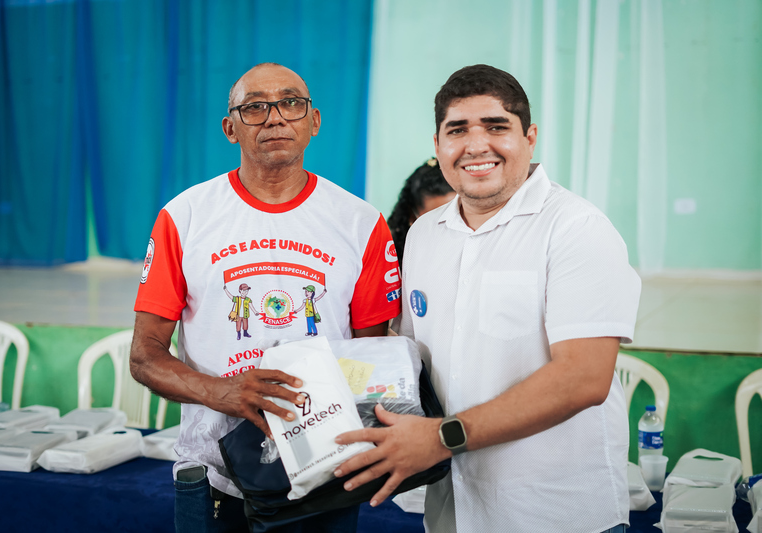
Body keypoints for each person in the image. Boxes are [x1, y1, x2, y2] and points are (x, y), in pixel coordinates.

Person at [334, 64, 641, 533]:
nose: (476, 145)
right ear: (438, 145)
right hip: (452, 510)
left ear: (530, 137)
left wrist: (441, 437)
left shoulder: (577, 229)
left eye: (496, 127)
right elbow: (411, 361)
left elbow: (583, 379)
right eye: (458, 130)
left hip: (556, 513)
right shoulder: (423, 234)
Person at [130, 62, 402, 533]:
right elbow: (144, 356)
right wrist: (225, 392)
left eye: (291, 103)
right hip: (214, 477)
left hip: (327, 475)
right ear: (230, 128)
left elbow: (372, 359)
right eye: (255, 107)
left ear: (313, 121)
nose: (275, 117)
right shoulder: (184, 217)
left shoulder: (362, 223)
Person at [387, 158, 456, 267]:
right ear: (412, 217)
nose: (450, 228)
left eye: (457, 215)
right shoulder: (392, 262)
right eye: (438, 219)